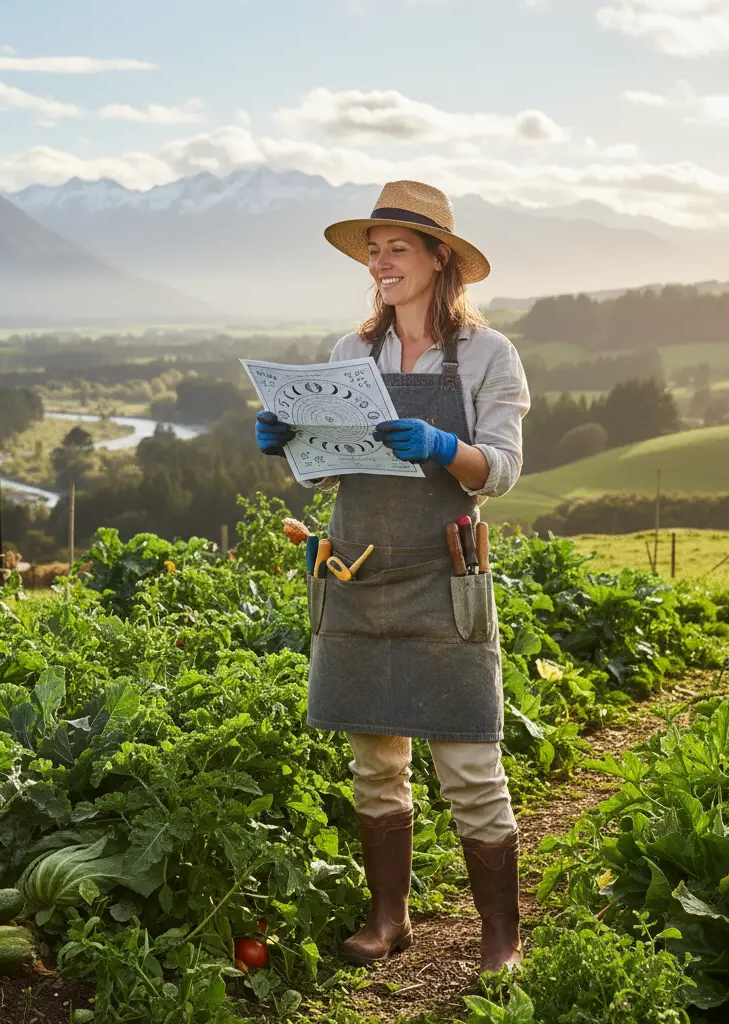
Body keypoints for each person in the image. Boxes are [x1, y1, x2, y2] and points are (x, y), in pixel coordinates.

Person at [254, 180, 531, 974]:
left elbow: (502, 468)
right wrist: (290, 441)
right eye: (373, 251)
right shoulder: (353, 354)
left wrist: (445, 448)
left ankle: (501, 938)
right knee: (376, 765)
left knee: (470, 767)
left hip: (444, 576)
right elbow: (327, 473)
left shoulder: (488, 354)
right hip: (358, 571)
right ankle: (388, 919)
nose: (380, 262)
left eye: (397, 249)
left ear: (440, 258)